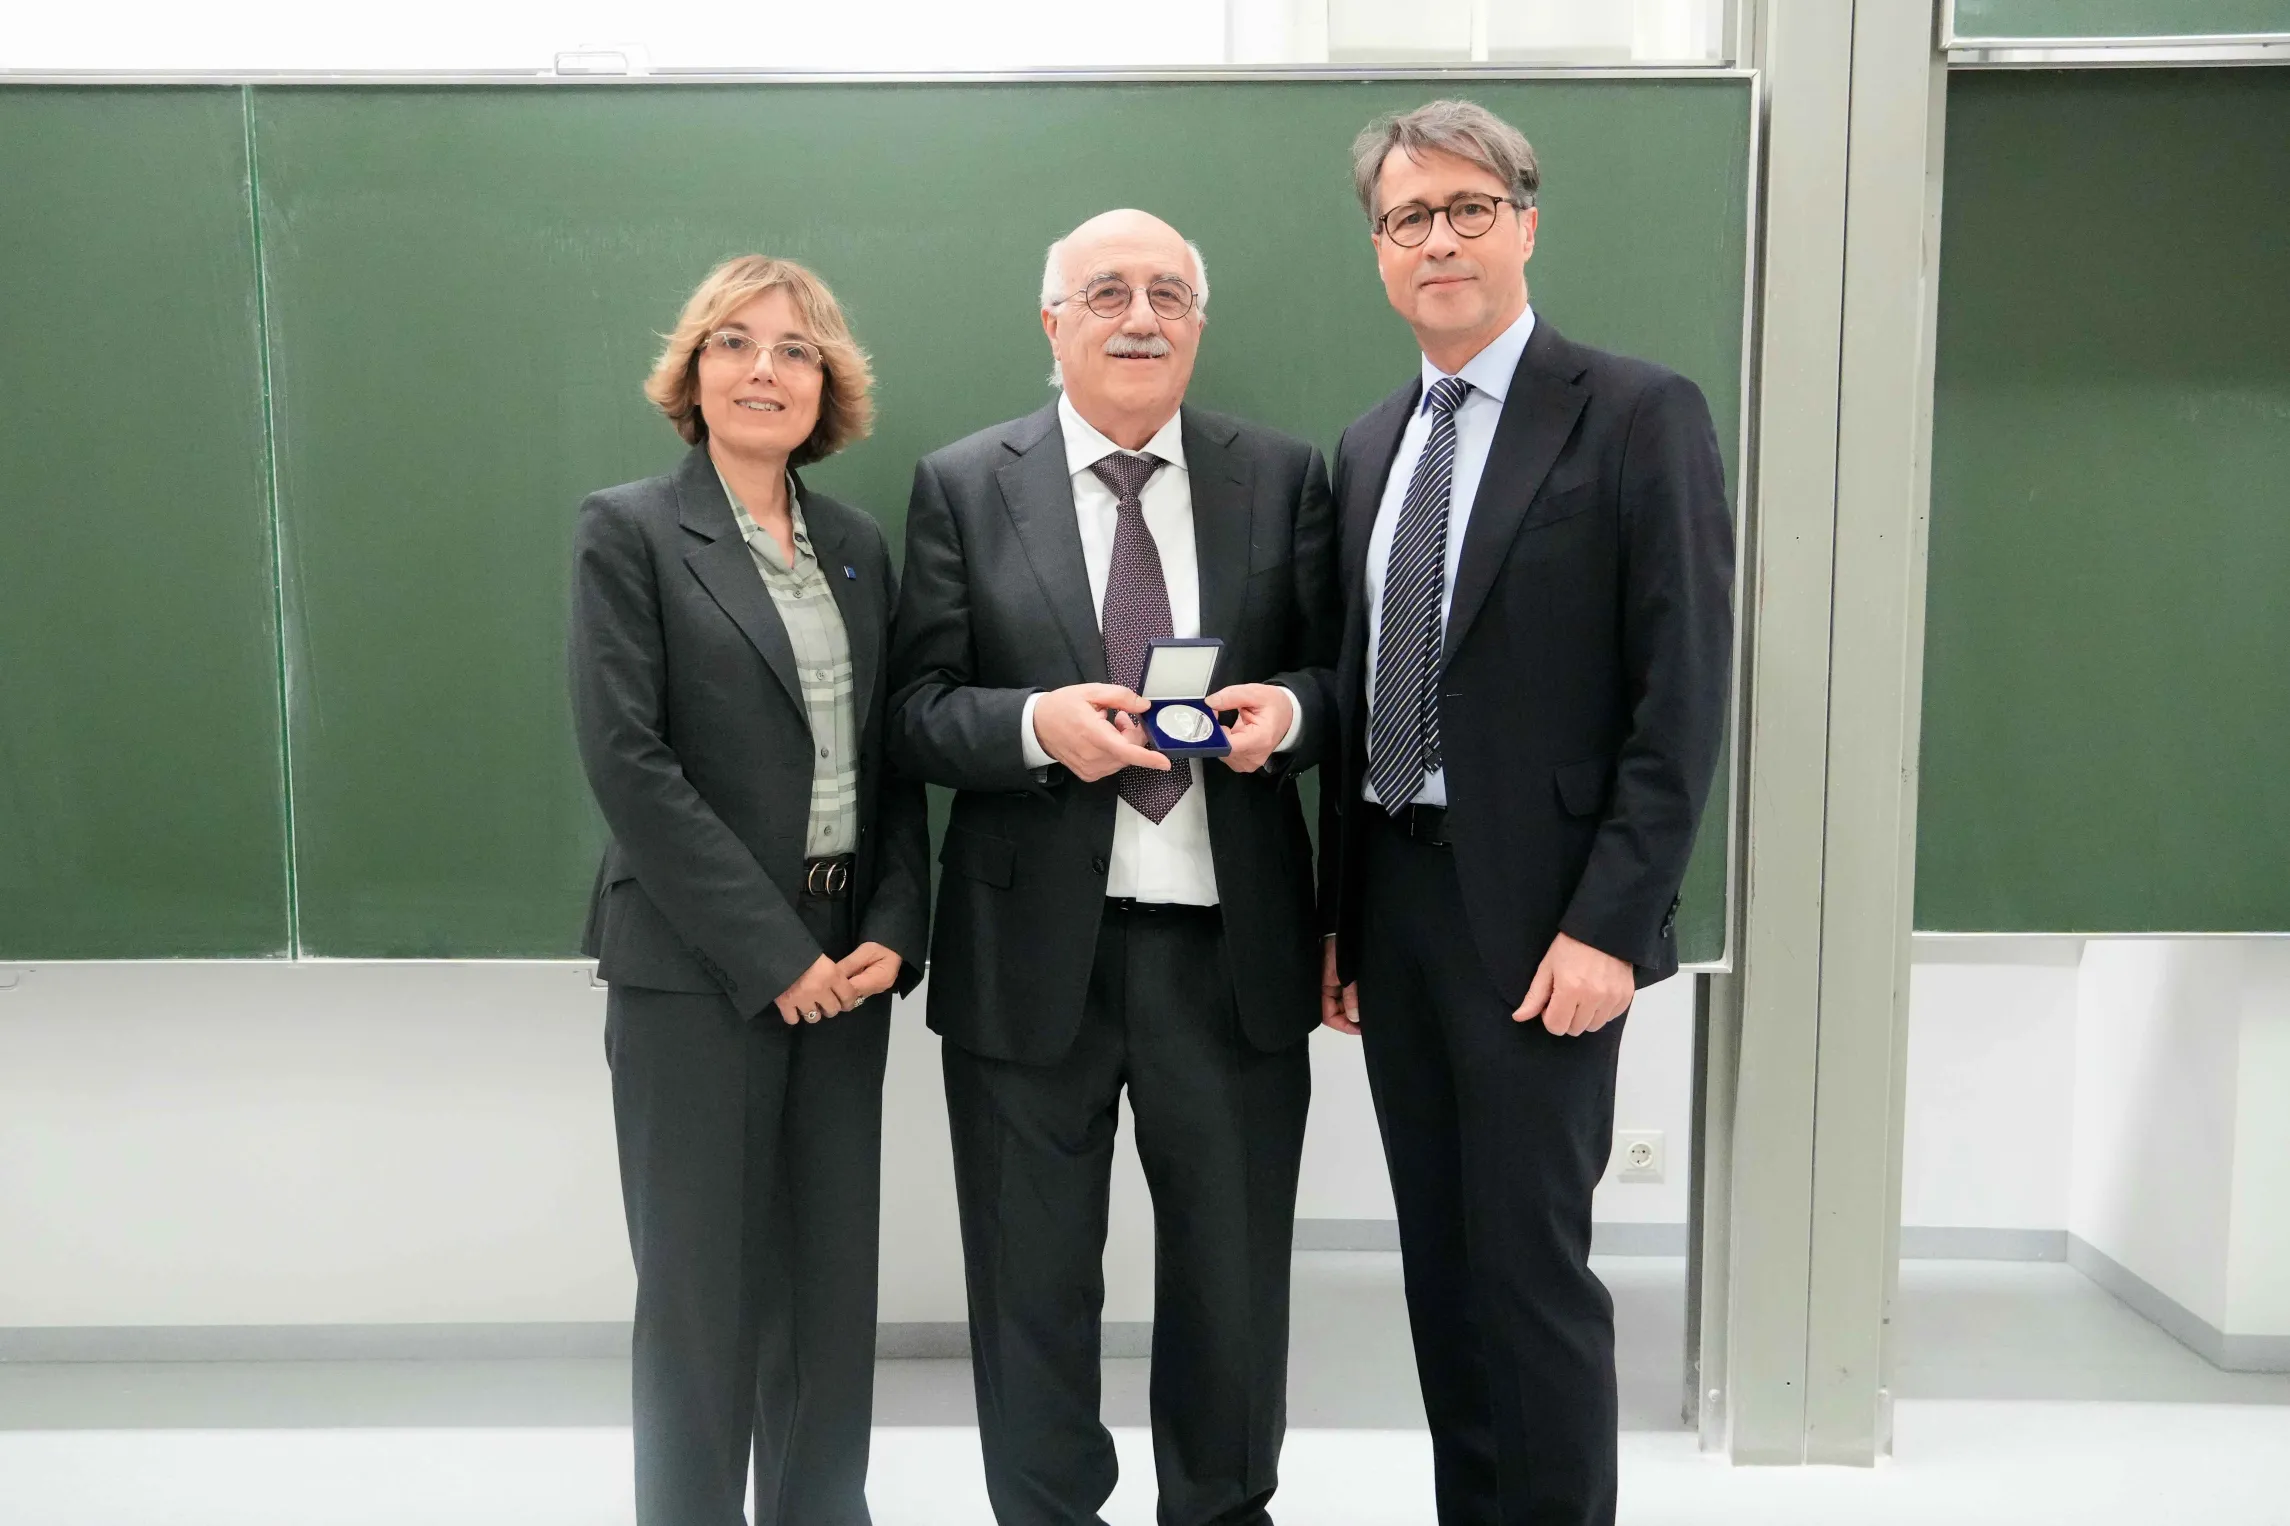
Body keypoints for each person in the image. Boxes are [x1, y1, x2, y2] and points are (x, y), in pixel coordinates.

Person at [1317, 101, 1735, 1526]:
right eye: (1406, 218)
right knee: (1440, 1268)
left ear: (1525, 225)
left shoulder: (1633, 412)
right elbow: (1357, 691)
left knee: (1530, 1270)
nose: (1437, 239)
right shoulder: (1368, 445)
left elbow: (1680, 695)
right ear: (1379, 252)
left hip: (1547, 921)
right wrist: (1341, 921)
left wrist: (1611, 923)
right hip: (1398, 904)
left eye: (1467, 209)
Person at [887, 209, 1338, 1526]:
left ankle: (1221, 1507)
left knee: (1232, 1281)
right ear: (1052, 322)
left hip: (1231, 952)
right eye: (1104, 293)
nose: (1138, 316)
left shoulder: (1282, 475)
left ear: (1197, 323)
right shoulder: (963, 482)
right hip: (1029, 958)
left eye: (1166, 294)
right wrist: (1038, 725)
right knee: (1029, 1283)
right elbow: (914, 709)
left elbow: (1341, 680)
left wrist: (1288, 713)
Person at [568, 254, 929, 1526]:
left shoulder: (856, 546)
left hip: (847, 964)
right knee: (703, 1304)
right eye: (732, 342)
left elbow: (887, 754)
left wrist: (893, 924)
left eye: (793, 348)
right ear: (693, 371)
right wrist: (775, 953)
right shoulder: (629, 531)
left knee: (827, 1300)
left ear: (826, 383)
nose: (762, 368)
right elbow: (630, 763)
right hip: (699, 967)